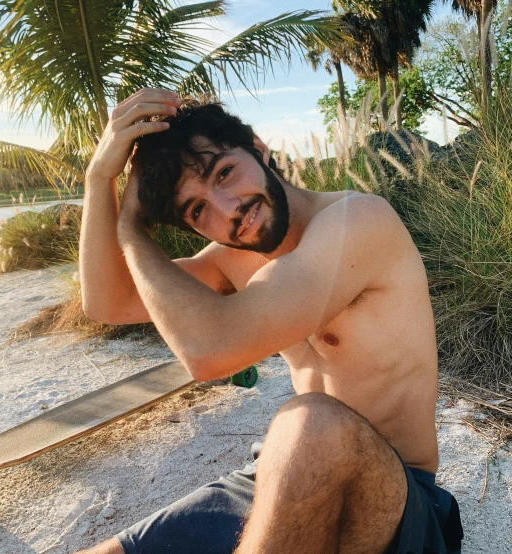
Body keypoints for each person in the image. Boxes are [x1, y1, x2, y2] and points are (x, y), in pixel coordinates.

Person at [76, 88, 463, 554]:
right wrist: (99, 180)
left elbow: (209, 352)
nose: (228, 209)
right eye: (198, 210)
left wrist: (132, 234)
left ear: (258, 148)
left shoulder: (358, 221)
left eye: (224, 173)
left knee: (312, 422)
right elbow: (107, 303)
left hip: (398, 496)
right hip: (282, 472)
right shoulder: (229, 260)